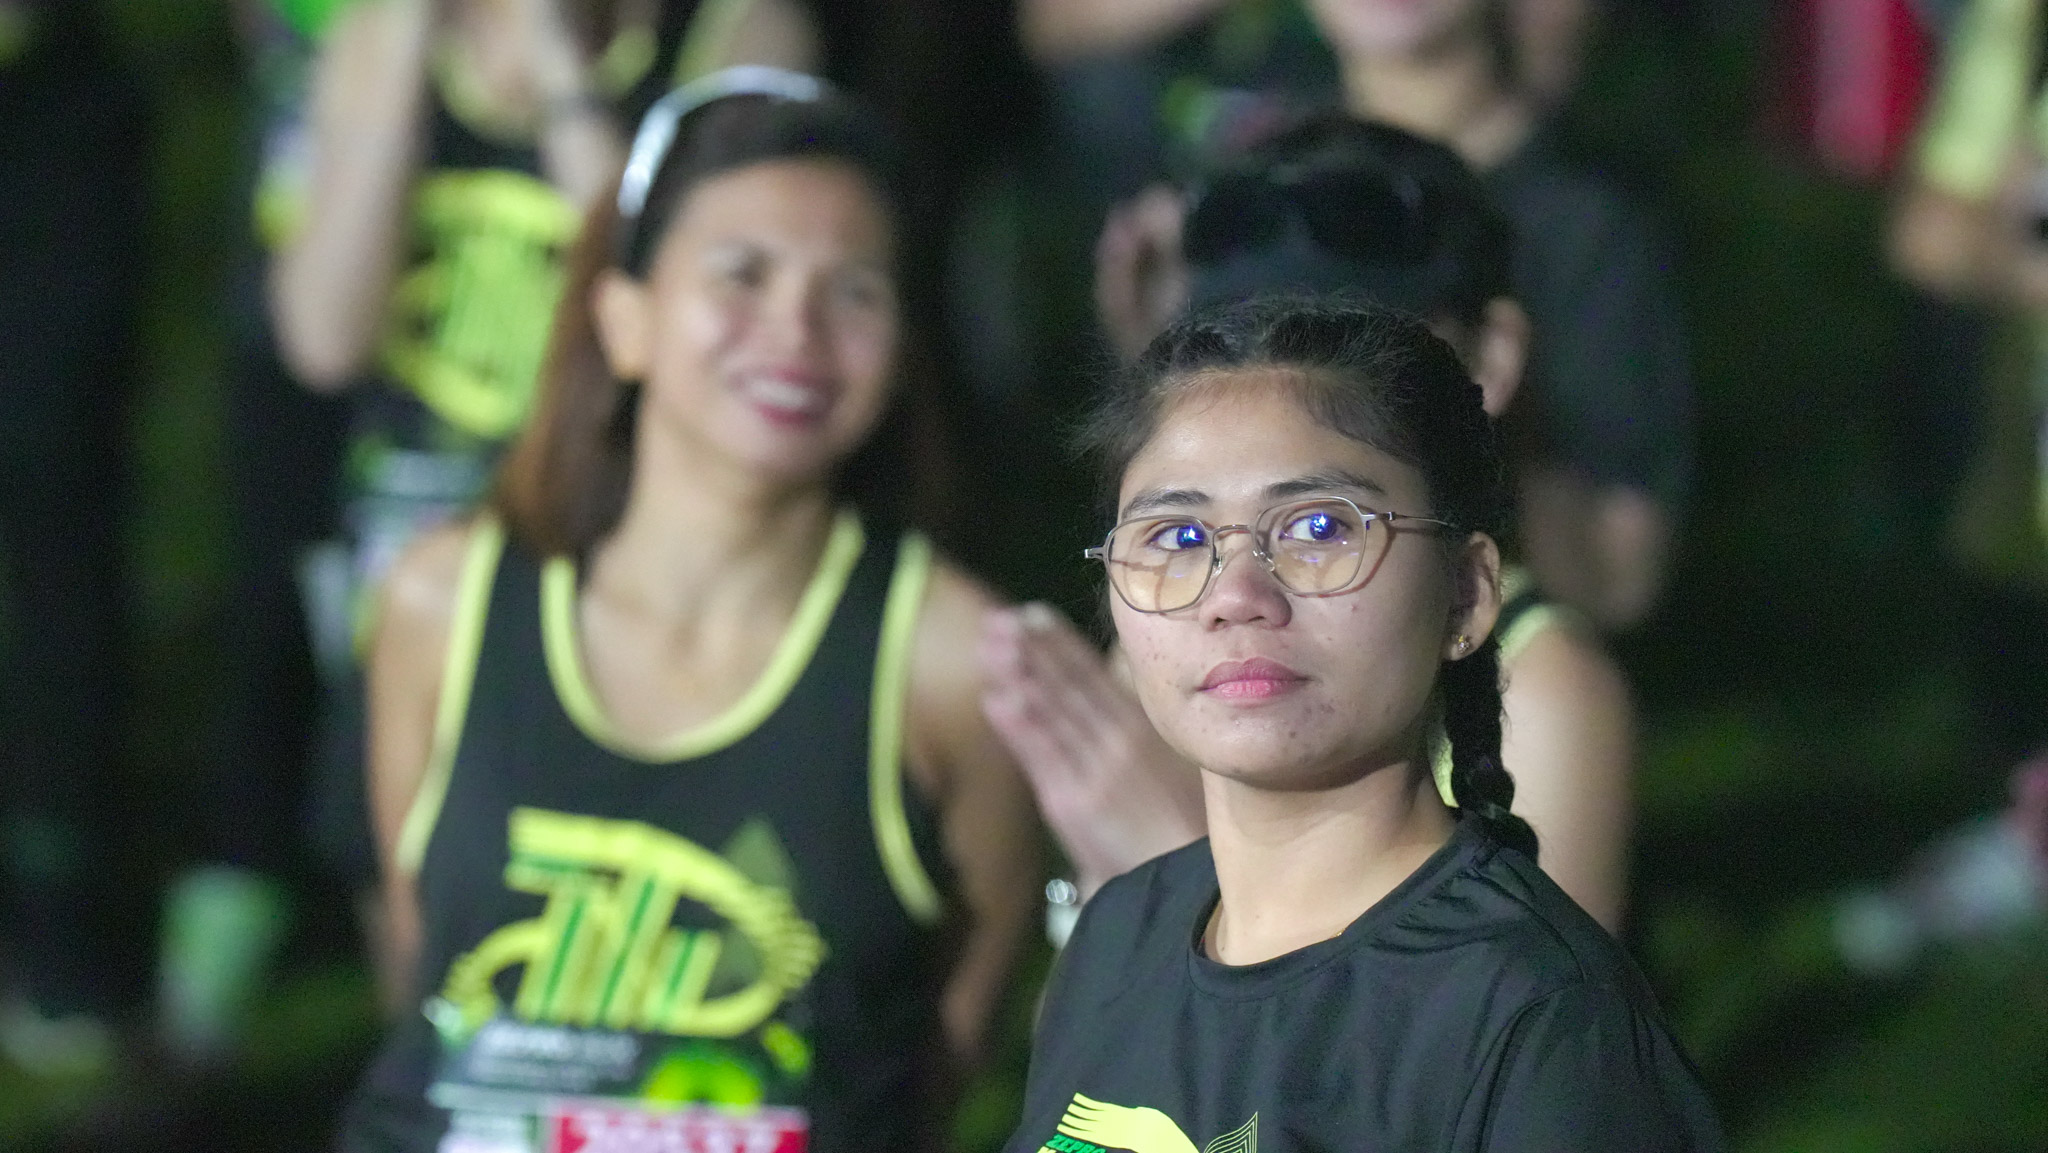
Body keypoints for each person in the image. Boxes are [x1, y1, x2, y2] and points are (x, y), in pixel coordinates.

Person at [339, 70, 1039, 1152]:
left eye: (855, 291)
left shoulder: (957, 664)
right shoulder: (444, 603)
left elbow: (943, 1060)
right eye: (742, 274)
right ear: (624, 320)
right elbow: (422, 963)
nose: (795, 330)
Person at [1004, 297, 1720, 1151]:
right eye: (1179, 536)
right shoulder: (1119, 935)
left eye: (1318, 528)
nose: (1236, 596)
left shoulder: (1534, 1018)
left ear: (1466, 593)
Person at [269, 0, 822, 974]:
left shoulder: (739, 34)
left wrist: (559, 75)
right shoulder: (381, 36)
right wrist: (400, 51)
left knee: (641, 912)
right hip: (416, 569)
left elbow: (663, 300)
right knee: (419, 919)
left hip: (641, 560)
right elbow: (324, 338)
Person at [989, 116, 1634, 930]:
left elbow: (1523, 998)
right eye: (1244, 341)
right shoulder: (1183, 625)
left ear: (1491, 355)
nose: (1286, 394)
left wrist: (1164, 869)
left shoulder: (1543, 686)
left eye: (1364, 351)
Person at [1083, 0, 1691, 630]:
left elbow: (1621, 579)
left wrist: (1450, 419)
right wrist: (1162, 360)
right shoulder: (1243, 167)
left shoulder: (1583, 223)